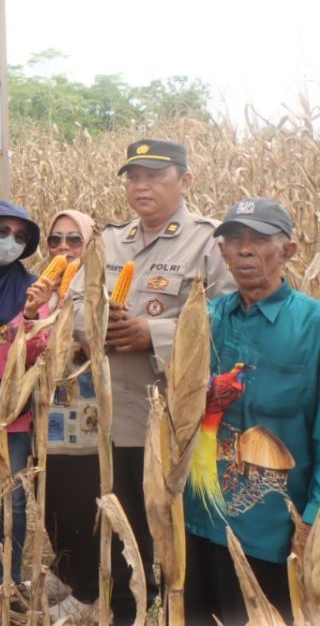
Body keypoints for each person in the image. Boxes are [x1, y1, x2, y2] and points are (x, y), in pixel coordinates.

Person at [71, 139, 234, 623]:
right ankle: (127, 611)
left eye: (154, 176)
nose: (140, 186)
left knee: (176, 530)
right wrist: (97, 322)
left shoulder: (211, 242)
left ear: (185, 182)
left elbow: (226, 320)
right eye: (132, 177)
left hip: (176, 421)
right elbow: (76, 305)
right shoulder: (109, 242)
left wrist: (153, 333)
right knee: (123, 529)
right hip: (114, 419)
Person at [183, 198, 320, 624]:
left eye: (259, 240)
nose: (244, 250)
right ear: (220, 251)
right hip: (201, 518)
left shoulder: (312, 325)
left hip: (276, 533)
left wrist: (313, 519)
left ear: (288, 251)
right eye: (234, 240)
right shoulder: (206, 317)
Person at [0, 202, 53, 592]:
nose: (10, 242)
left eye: (19, 237)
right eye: (2, 231)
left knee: (12, 497)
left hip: (10, 411)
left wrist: (33, 316)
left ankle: (9, 580)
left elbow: (40, 352)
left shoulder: (32, 287)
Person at [41, 209, 102, 620]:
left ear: (92, 244)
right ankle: (63, 570)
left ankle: (88, 589)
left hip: (88, 415)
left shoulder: (103, 283)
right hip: (49, 412)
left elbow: (99, 338)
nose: (63, 248)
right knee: (53, 500)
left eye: (73, 240)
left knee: (82, 502)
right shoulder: (42, 285)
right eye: (56, 240)